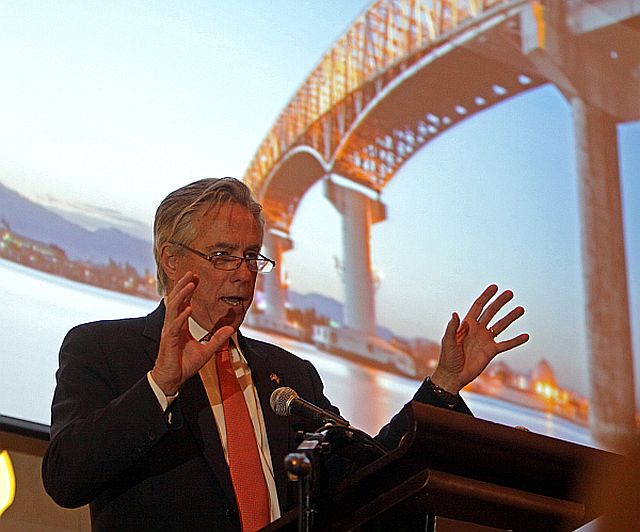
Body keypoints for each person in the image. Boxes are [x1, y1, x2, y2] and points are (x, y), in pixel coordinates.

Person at [42, 177, 529, 531]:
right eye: (222, 255)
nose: (242, 272)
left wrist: (443, 383)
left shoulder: (289, 375)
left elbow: (364, 470)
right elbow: (65, 478)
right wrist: (160, 386)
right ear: (171, 259)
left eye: (252, 256)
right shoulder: (103, 348)